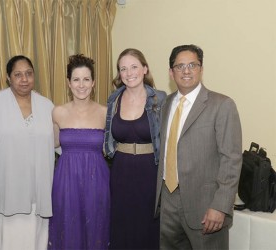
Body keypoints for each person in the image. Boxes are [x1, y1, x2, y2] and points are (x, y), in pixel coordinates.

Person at [155, 44, 242, 250]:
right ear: (171, 72)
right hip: (168, 200)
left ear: (201, 69)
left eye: (192, 65)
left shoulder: (222, 105)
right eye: (180, 66)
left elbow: (231, 159)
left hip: (206, 206)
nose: (186, 71)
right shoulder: (165, 105)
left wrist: (220, 206)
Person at [0, 55, 55, 250]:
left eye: (29, 74)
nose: (24, 79)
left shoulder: (47, 106)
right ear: (8, 77)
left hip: (38, 192)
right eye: (18, 74)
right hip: (7, 190)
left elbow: (60, 143)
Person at [104, 48, 166, 249]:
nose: (129, 73)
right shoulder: (113, 100)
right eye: (123, 69)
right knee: (122, 227)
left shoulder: (160, 99)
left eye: (134, 67)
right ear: (119, 75)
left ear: (145, 69)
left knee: (147, 229)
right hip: (120, 172)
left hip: (150, 172)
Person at [48, 54, 110, 249]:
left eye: (86, 79)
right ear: (68, 83)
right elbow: (54, 143)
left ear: (93, 83)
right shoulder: (57, 112)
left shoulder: (106, 112)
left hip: (97, 181)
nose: (81, 85)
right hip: (66, 181)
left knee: (97, 228)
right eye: (76, 79)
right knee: (67, 229)